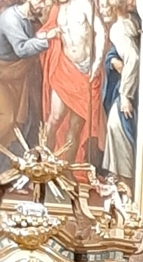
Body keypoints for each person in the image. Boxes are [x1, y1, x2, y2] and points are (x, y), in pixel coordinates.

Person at [42, 0, 105, 162]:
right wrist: (47, 35)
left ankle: (68, 167)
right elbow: (43, 33)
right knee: (54, 118)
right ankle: (43, 164)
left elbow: (100, 32)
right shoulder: (56, 9)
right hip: (64, 69)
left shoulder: (84, 4)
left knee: (76, 125)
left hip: (85, 72)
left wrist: (96, 64)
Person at [0, 0, 57, 157]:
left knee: (20, 122)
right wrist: (46, 40)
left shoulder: (26, 18)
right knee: (7, 118)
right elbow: (22, 49)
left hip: (16, 76)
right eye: (40, 1)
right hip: (4, 75)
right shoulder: (10, 18)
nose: (43, 5)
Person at [100, 0, 139, 184]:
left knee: (117, 124)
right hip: (129, 86)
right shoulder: (131, 21)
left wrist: (125, 95)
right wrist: (112, 59)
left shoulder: (118, 28)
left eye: (105, 5)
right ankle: (120, 177)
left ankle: (125, 181)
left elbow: (133, 57)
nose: (102, 11)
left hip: (127, 90)